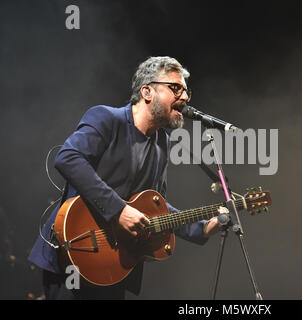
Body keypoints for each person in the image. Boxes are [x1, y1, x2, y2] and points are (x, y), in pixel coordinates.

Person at [28, 56, 221, 299]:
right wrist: (119, 210)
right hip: (76, 249)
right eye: (175, 88)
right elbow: (68, 158)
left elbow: (153, 207)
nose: (184, 98)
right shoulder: (107, 118)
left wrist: (201, 228)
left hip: (114, 264)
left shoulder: (162, 142)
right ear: (147, 91)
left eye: (186, 91)